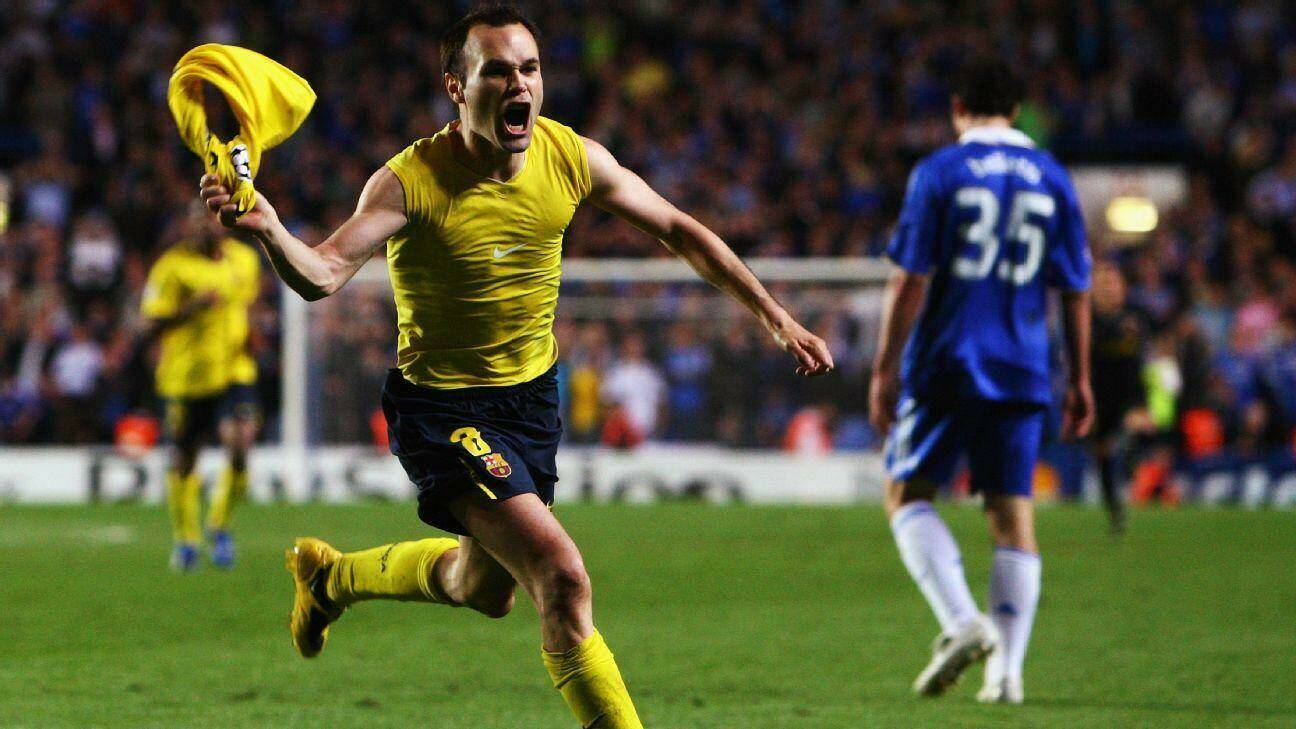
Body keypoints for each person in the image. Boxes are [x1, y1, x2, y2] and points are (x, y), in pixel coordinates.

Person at [199, 6, 832, 727]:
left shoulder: (571, 157)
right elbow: (323, 272)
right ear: (457, 87)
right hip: (444, 410)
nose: (519, 84)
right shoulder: (411, 179)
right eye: (497, 71)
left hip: (530, 402)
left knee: (482, 588)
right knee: (562, 578)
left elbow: (678, 229)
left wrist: (776, 317)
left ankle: (331, 578)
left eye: (529, 68)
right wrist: (271, 229)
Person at [868, 57, 1092, 705]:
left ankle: (963, 619)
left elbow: (910, 278)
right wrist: (1080, 377)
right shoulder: (1053, 176)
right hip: (1024, 365)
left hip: (949, 358)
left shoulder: (941, 171)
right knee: (1011, 513)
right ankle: (1008, 675)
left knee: (906, 493)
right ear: (1017, 110)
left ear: (958, 106)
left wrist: (884, 368)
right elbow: (1076, 286)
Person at [141, 202, 261, 571]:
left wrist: (251, 335)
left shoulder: (245, 259)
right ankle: (187, 539)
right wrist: (191, 307)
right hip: (187, 377)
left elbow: (246, 306)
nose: (207, 226)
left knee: (240, 444)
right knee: (185, 458)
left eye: (212, 219)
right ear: (188, 226)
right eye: (199, 221)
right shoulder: (171, 267)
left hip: (234, 371)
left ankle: (219, 526)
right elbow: (150, 324)